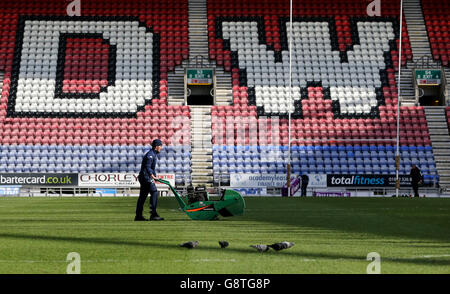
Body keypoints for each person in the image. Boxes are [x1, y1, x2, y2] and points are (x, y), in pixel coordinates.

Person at [135, 139, 164, 221]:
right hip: (146, 178)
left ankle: (138, 216)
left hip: (145, 177)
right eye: (160, 146)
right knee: (154, 192)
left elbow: (152, 168)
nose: (161, 148)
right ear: (156, 146)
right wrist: (152, 176)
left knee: (142, 197)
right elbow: (147, 167)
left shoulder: (153, 154)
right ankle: (153, 214)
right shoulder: (150, 155)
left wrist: (155, 176)